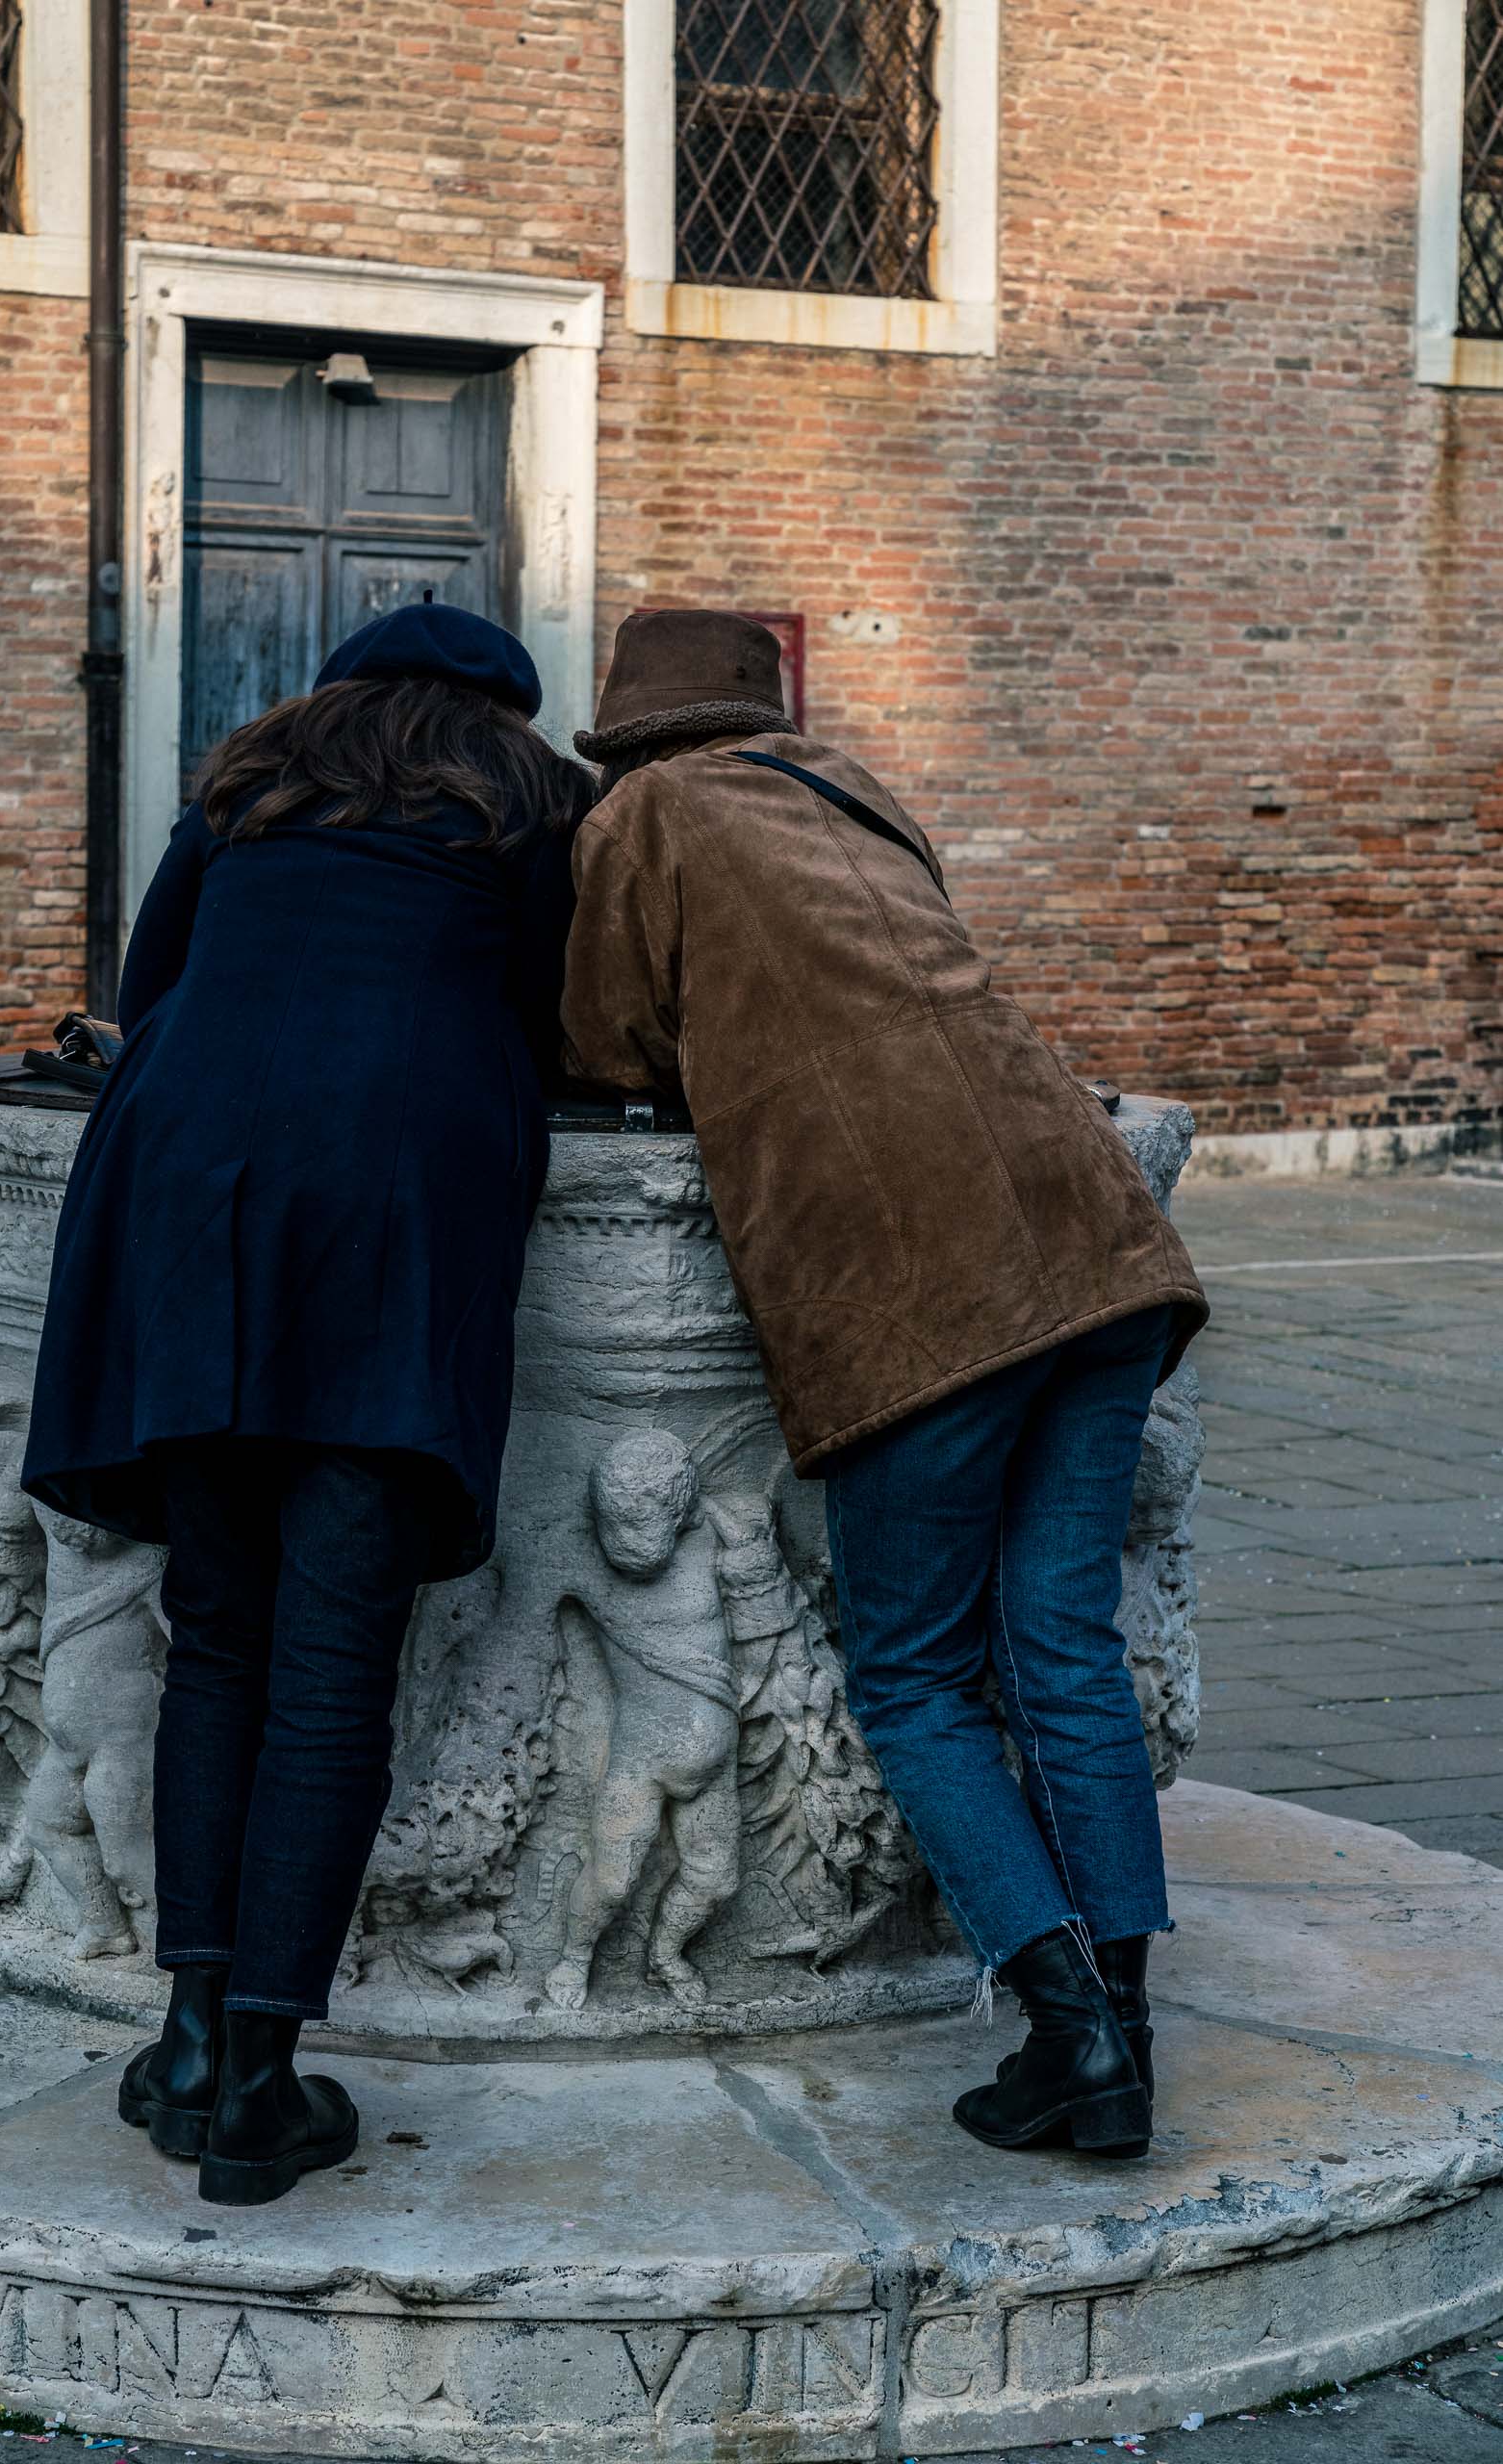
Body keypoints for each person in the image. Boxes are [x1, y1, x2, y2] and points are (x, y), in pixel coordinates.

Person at [560, 608, 1209, 2163]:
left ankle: (1068, 2038)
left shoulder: (640, 817)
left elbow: (599, 1042)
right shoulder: (854, 785)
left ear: (631, 737)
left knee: (912, 1678)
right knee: (1057, 1640)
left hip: (923, 1287)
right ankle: (1122, 2024)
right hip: (1101, 1234)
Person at [22, 603, 592, 2206]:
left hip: (190, 1191)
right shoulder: (533, 800)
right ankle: (264, 2076)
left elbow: (153, 982)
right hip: (392, 1202)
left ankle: (194, 2039)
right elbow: (560, 1021)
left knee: (217, 1634)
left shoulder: (247, 781)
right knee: (332, 1660)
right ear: (503, 704)